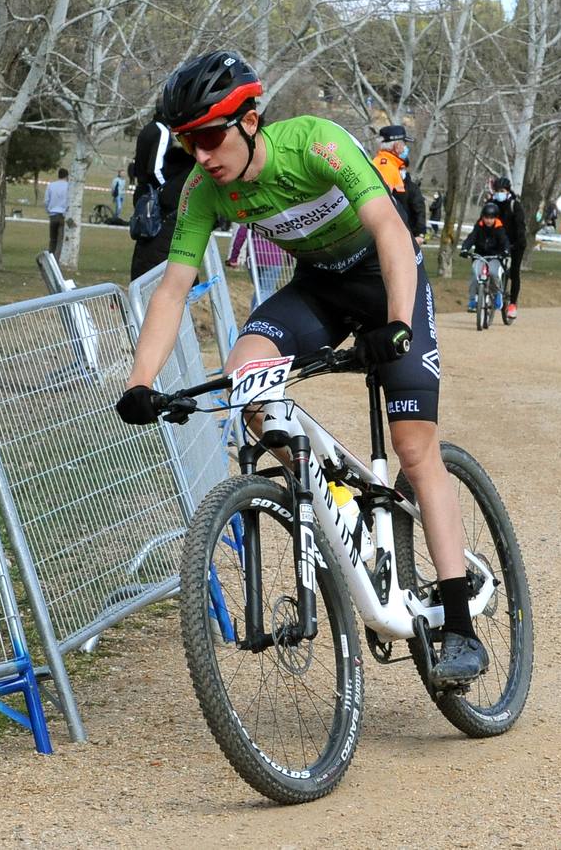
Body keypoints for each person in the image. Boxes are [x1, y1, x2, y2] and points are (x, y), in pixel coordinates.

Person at [114, 50, 489, 688]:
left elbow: (393, 234)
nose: (201, 155)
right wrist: (139, 383)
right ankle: (330, 494)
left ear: (251, 119)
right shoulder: (205, 191)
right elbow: (173, 289)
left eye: (210, 136)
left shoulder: (316, 143)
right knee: (245, 381)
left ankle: (459, 625)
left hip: (387, 280)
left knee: (414, 446)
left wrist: (396, 325)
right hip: (319, 289)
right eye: (188, 142)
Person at [129, 112, 195, 280]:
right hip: (157, 197)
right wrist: (163, 187)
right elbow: (156, 167)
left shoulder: (147, 129)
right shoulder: (162, 131)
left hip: (145, 194)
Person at [371, 124, 426, 245]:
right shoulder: (386, 168)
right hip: (389, 238)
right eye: (404, 144)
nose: (405, 148)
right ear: (397, 146)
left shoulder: (391, 165)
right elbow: (384, 207)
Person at [459, 201, 509, 312]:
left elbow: (504, 241)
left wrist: (505, 251)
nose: (488, 220)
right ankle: (473, 300)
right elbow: (471, 238)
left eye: (491, 218)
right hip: (480, 256)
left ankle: (497, 295)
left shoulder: (499, 228)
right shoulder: (479, 226)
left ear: (495, 218)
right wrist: (465, 248)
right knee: (475, 275)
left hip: (495, 256)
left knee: (494, 273)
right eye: (486, 217)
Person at [490, 177, 526, 322]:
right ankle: (490, 295)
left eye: (502, 191)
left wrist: (516, 244)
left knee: (514, 273)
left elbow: (520, 228)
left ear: (508, 191)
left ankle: (512, 304)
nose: (500, 193)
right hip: (497, 243)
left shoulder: (514, 206)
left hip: (515, 244)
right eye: (497, 191)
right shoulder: (491, 204)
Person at [227, 224, 286, 305]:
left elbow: (241, 235)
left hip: (254, 258)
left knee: (260, 290)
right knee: (265, 291)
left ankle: (255, 315)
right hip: (273, 258)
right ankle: (258, 316)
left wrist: (234, 257)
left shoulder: (250, 215)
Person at [45, 168, 70, 260]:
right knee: (60, 240)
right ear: (67, 176)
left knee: (52, 239)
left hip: (53, 215)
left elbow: (46, 200)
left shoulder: (51, 185)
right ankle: (56, 260)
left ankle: (50, 259)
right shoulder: (69, 186)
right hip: (63, 215)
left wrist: (49, 210)